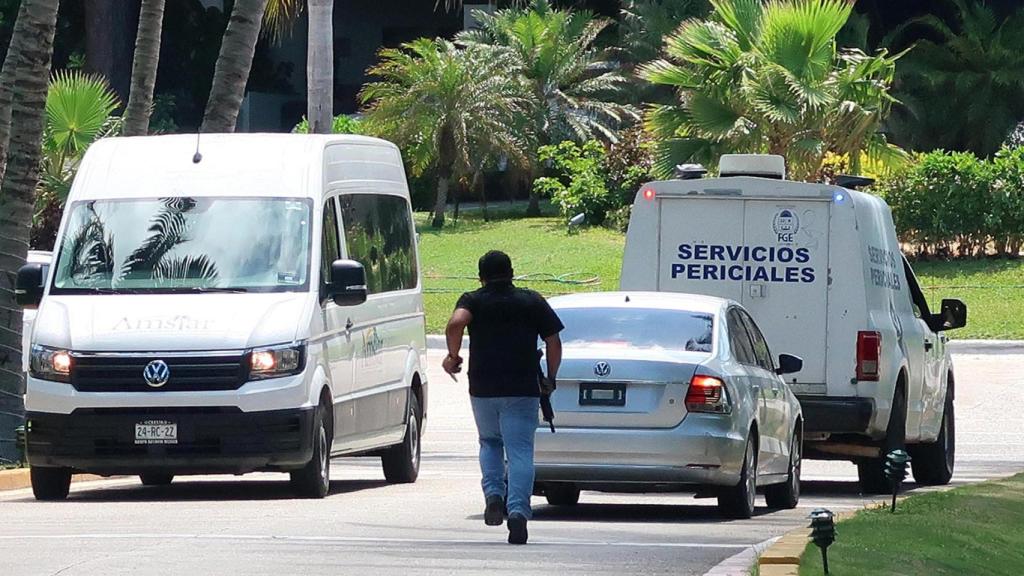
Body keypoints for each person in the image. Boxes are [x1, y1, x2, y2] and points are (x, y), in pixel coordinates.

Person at [443, 250, 563, 545]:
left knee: (490, 442)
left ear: (480, 277)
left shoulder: (473, 300)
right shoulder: (531, 300)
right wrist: (551, 377)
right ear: (511, 273)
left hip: (483, 386)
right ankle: (518, 511)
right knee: (520, 451)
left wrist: (453, 356)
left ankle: (494, 495)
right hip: (522, 387)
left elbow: (456, 323)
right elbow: (553, 340)